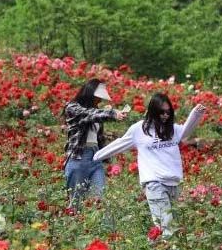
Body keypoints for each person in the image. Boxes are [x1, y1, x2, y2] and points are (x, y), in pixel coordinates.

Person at [93, 93, 206, 238]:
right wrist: (96, 156)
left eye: (168, 112)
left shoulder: (172, 129)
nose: (165, 115)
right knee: (166, 227)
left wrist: (197, 113)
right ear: (153, 111)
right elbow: (120, 143)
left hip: (174, 183)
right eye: (161, 112)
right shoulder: (139, 129)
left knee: (174, 227)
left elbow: (185, 131)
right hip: (154, 183)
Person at [63, 78, 127, 209]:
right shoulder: (72, 107)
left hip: (95, 157)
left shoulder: (96, 112)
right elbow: (88, 114)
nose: (100, 101)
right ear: (89, 94)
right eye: (98, 97)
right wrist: (111, 113)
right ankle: (76, 227)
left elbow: (97, 129)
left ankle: (100, 228)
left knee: (98, 199)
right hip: (78, 158)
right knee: (76, 203)